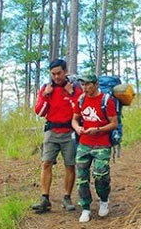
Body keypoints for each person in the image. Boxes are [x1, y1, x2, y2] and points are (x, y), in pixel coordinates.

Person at [32, 59, 83, 213]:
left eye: (59, 73)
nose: (56, 77)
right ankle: (45, 198)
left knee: (69, 165)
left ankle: (67, 197)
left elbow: (81, 109)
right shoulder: (46, 89)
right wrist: (46, 95)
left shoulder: (75, 89)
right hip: (51, 132)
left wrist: (72, 93)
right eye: (53, 74)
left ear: (65, 72)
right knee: (46, 163)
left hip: (69, 133)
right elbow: (40, 112)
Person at [71, 73, 118, 223]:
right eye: (82, 85)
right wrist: (77, 127)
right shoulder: (81, 99)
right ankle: (85, 207)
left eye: (87, 84)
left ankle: (104, 200)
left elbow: (113, 123)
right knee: (81, 178)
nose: (84, 88)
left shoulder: (106, 100)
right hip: (84, 143)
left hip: (102, 144)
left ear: (96, 84)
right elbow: (74, 119)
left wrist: (97, 129)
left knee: (100, 174)